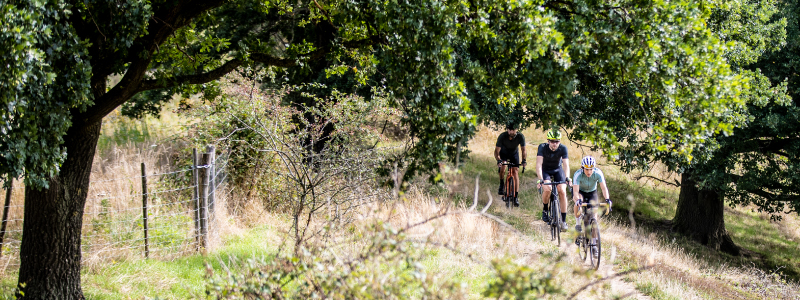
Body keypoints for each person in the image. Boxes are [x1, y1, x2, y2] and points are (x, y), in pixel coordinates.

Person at [536, 128, 570, 231]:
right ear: (548, 141)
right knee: (547, 189)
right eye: (552, 141)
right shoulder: (542, 147)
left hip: (557, 170)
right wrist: (541, 179)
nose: (554, 144)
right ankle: (545, 209)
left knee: (562, 191)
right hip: (545, 170)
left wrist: (567, 177)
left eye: (557, 141)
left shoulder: (563, 148)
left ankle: (563, 221)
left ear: (560, 141)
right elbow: (538, 165)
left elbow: (566, 165)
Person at [571, 155, 612, 234]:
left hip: (592, 192)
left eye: (591, 169)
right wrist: (578, 200)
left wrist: (607, 199)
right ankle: (578, 224)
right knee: (578, 202)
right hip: (580, 192)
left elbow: (604, 188)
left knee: (594, 215)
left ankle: (594, 241)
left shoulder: (598, 173)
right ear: (583, 168)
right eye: (586, 169)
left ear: (594, 168)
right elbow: (575, 192)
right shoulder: (578, 174)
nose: (589, 172)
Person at [495, 122, 527, 207]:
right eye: (510, 130)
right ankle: (502, 184)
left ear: (516, 130)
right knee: (503, 167)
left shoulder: (520, 136)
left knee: (515, 171)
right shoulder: (502, 136)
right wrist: (498, 160)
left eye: (513, 130)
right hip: (504, 154)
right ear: (507, 130)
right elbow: (497, 151)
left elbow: (523, 150)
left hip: (514, 154)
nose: (511, 132)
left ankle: (515, 196)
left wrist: (524, 160)